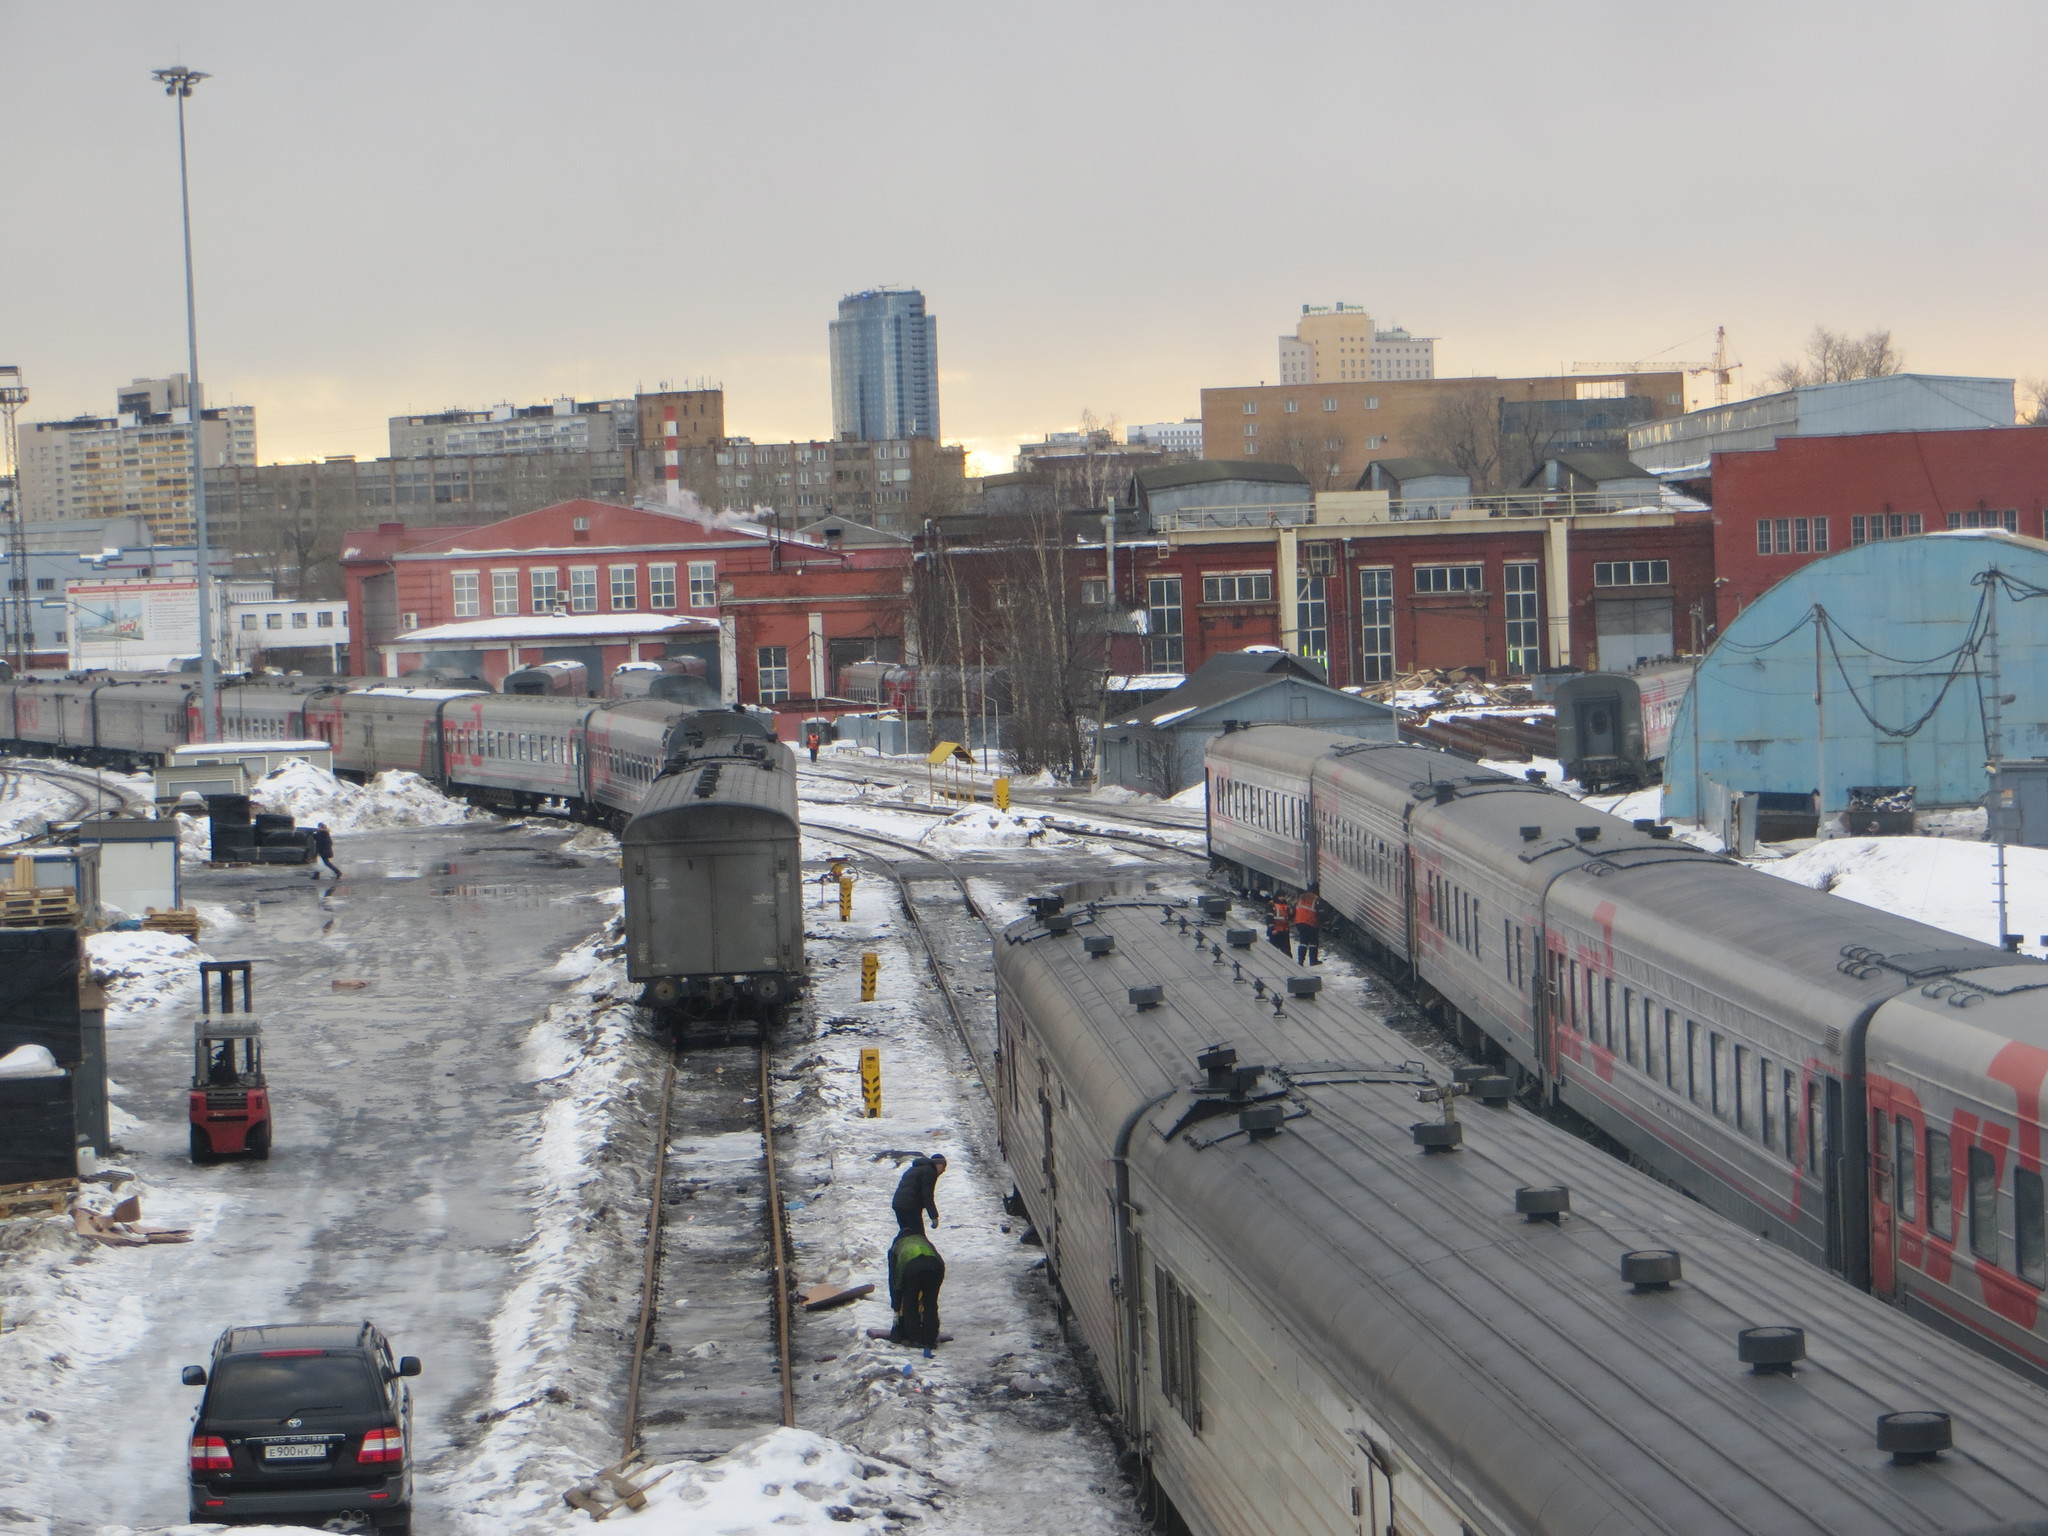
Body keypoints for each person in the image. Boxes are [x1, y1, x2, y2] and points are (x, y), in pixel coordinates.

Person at [888, 1230, 945, 1348]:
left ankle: (915, 1338)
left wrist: (896, 1307)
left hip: (912, 1268)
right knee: (930, 1302)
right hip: (935, 1267)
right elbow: (939, 1261)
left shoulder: (895, 1247)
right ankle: (930, 1338)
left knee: (910, 1301)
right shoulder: (924, 1241)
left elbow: (894, 1281)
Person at [891, 1152, 946, 1235]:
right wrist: (934, 1217)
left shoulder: (914, 1169)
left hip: (898, 1204)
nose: (943, 1170)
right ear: (939, 1165)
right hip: (910, 1205)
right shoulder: (930, 1171)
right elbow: (927, 1196)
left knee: (906, 1233)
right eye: (943, 1167)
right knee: (918, 1234)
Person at [1293, 888, 1322, 966]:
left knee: (1303, 941)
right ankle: (1313, 960)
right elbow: (1320, 911)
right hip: (1310, 921)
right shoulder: (1316, 898)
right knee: (1313, 942)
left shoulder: (1302, 896)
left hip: (1299, 921)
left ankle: (1300, 961)